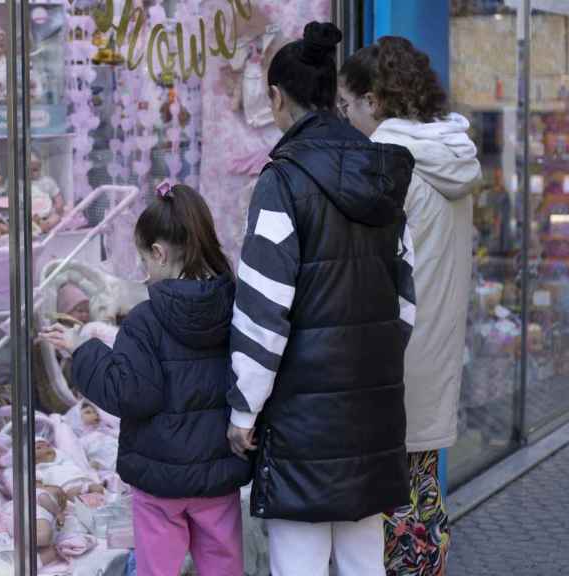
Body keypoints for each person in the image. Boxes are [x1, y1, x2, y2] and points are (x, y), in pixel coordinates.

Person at [224, 22, 416, 576]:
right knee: (363, 560)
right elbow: (406, 301)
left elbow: (263, 309)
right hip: (371, 408)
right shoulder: (381, 173)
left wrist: (244, 408)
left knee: (299, 560)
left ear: (277, 99)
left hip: (301, 418)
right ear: (333, 95)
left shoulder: (282, 181)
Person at [40, 182, 251, 576]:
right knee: (224, 565)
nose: (144, 272)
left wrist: (82, 348)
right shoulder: (236, 308)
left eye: (143, 260)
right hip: (219, 471)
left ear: (158, 252)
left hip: (159, 479)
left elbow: (130, 393)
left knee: (158, 568)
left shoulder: (145, 320)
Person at [340, 36, 481, 576]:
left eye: (347, 106)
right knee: (421, 496)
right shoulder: (450, 154)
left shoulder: (389, 164)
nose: (346, 119)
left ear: (374, 102)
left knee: (386, 515)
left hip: (393, 359)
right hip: (436, 350)